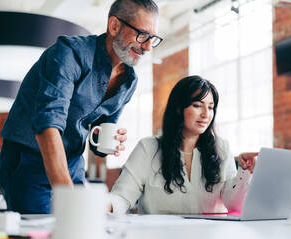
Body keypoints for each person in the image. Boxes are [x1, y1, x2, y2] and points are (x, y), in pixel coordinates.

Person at [0, 0, 162, 214]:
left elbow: (99, 137)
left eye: (154, 38)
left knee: (80, 229)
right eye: (143, 35)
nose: (148, 46)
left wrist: (108, 143)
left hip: (72, 164)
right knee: (40, 235)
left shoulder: (129, 81)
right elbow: (48, 124)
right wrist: (68, 196)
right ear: (114, 26)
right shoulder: (69, 53)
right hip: (28, 160)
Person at [110, 75, 256, 216]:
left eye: (210, 107)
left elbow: (235, 205)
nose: (206, 114)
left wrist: (245, 171)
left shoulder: (221, 148)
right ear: (179, 108)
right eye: (197, 105)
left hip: (209, 238)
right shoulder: (148, 148)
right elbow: (122, 197)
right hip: (159, 237)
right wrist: (105, 204)